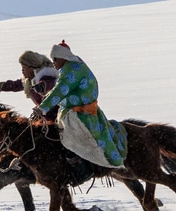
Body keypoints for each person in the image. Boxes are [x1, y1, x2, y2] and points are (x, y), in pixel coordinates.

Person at [34, 40, 128, 183]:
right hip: (76, 112)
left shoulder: (72, 70)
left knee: (68, 140)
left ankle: (83, 171)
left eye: (55, 59)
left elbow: (61, 90)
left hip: (80, 116)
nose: (53, 62)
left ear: (63, 58)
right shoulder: (71, 66)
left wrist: (42, 108)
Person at [0, 50, 59, 121]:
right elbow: (14, 85)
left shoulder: (46, 76)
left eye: (23, 68)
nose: (22, 71)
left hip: (56, 115)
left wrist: (42, 86)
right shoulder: (28, 81)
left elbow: (50, 83)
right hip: (43, 115)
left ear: (31, 67)